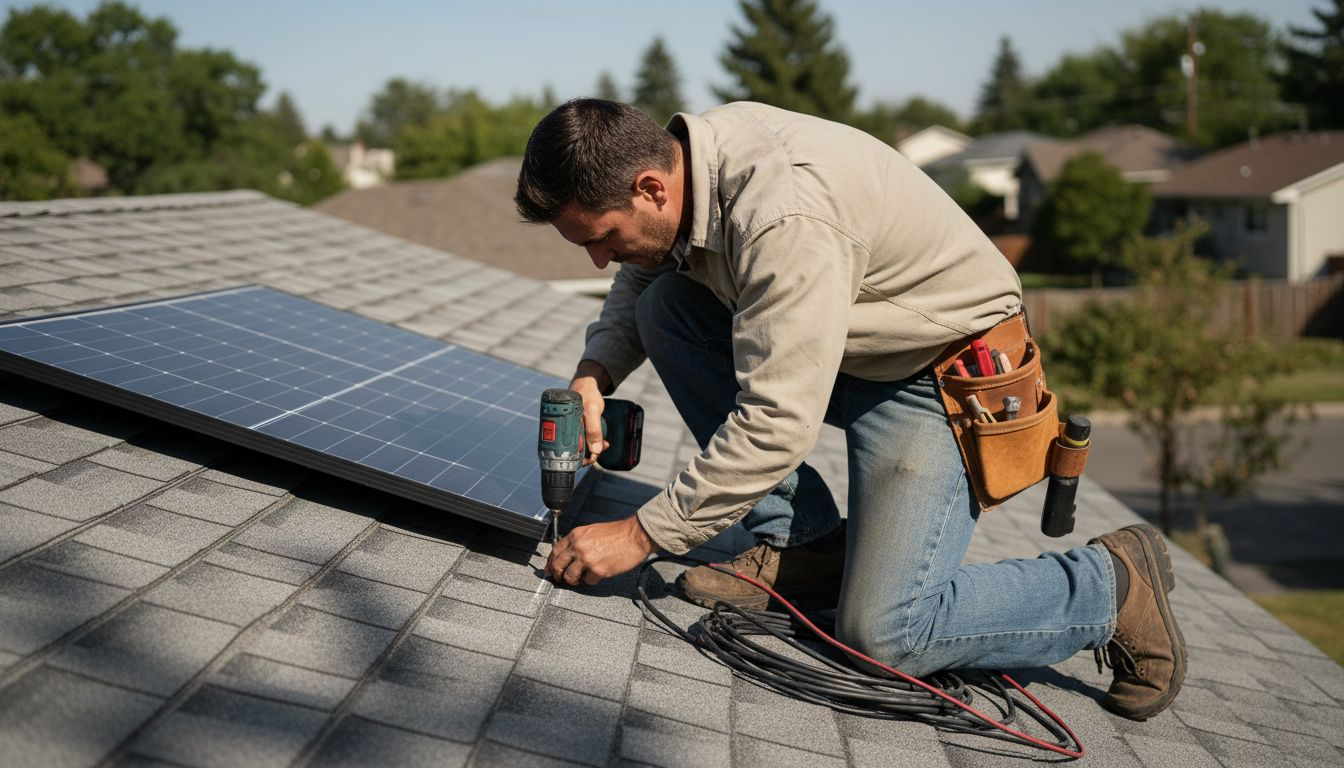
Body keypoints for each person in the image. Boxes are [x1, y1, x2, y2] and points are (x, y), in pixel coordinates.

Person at [516, 99, 1185, 720]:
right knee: (666, 308)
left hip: (939, 381)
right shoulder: (688, 162)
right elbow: (646, 266)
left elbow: (775, 424)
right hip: (851, 346)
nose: (601, 260)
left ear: (651, 188)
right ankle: (807, 546)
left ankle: (1109, 587)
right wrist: (593, 373)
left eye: (600, 237)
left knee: (885, 634)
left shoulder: (784, 211)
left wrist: (641, 535)